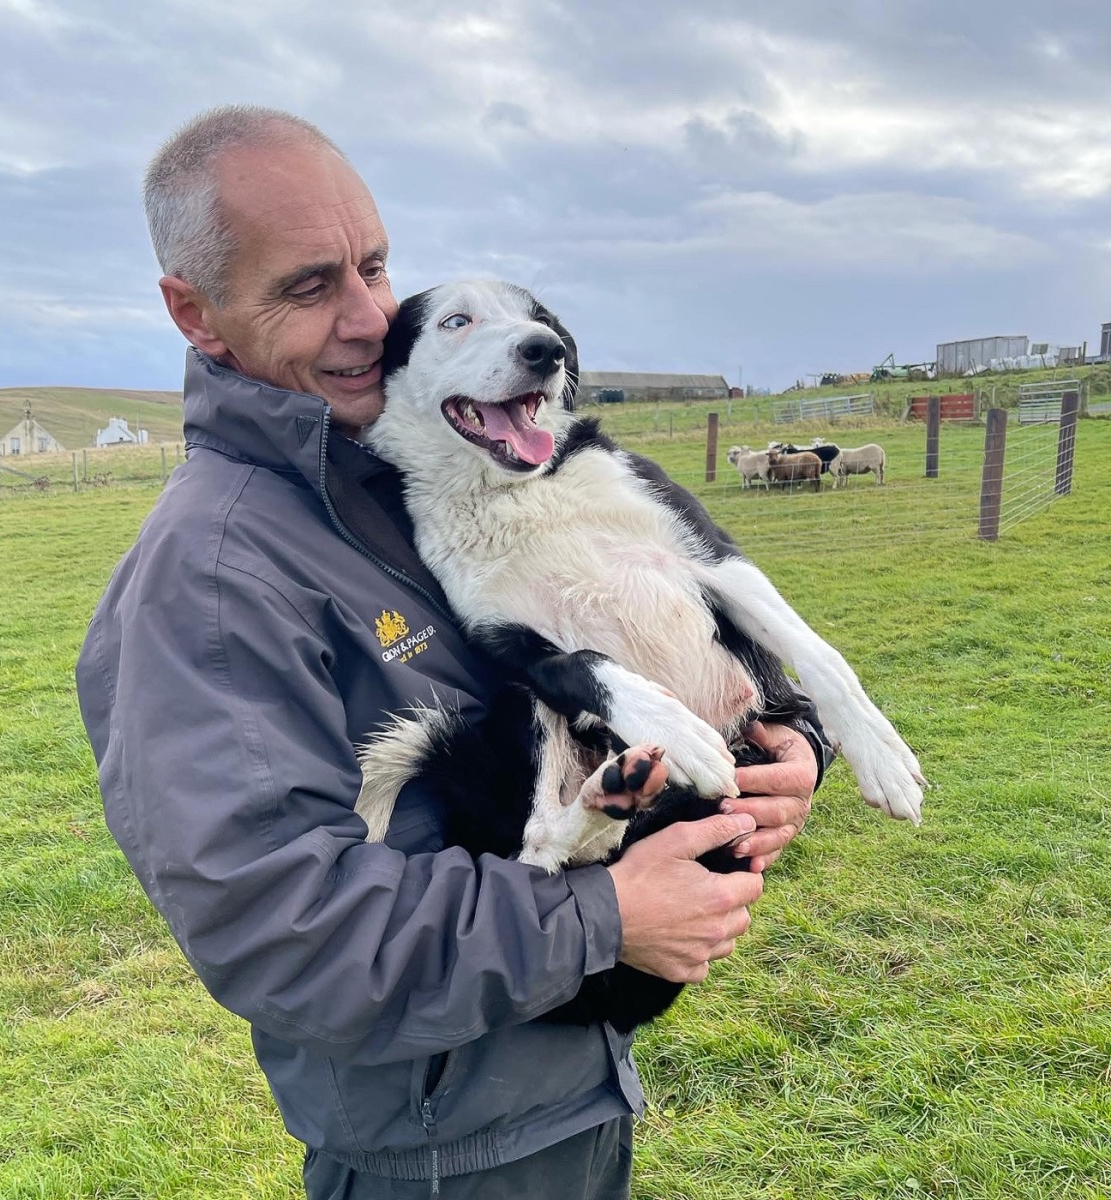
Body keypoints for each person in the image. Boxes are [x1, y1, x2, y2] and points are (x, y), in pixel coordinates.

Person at [75, 105, 829, 1199]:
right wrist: (606, 918)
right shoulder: (212, 576)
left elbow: (632, 637)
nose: (368, 319)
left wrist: (787, 741)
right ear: (196, 313)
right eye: (308, 287)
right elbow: (283, 929)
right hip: (441, 1150)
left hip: (559, 1092)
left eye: (375, 267)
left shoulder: (427, 474)